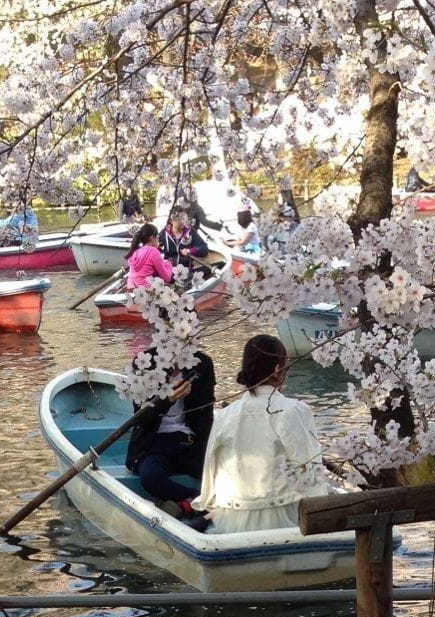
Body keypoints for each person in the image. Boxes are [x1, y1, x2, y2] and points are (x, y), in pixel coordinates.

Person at [195, 335, 330, 534]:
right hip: (281, 516)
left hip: (231, 517)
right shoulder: (293, 411)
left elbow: (210, 467)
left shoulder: (225, 415)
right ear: (278, 370)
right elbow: (310, 471)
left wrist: (208, 501)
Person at [125, 347, 216, 523]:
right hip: (154, 443)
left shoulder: (201, 363)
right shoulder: (145, 362)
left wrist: (208, 452)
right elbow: (141, 418)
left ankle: (188, 505)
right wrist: (167, 401)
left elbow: (206, 417)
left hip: (189, 441)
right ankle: (197, 500)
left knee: (221, 473)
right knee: (151, 477)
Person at [125, 223, 173, 291]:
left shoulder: (136, 252)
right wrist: (169, 264)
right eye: (158, 237)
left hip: (131, 287)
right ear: (152, 237)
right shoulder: (153, 251)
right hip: (144, 290)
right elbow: (167, 278)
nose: (158, 240)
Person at [159, 209, 209, 275]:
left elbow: (204, 248)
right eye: (179, 219)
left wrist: (190, 251)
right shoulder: (164, 233)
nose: (182, 221)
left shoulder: (190, 232)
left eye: (184, 218)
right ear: (171, 221)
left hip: (187, 270)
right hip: (169, 270)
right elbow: (155, 247)